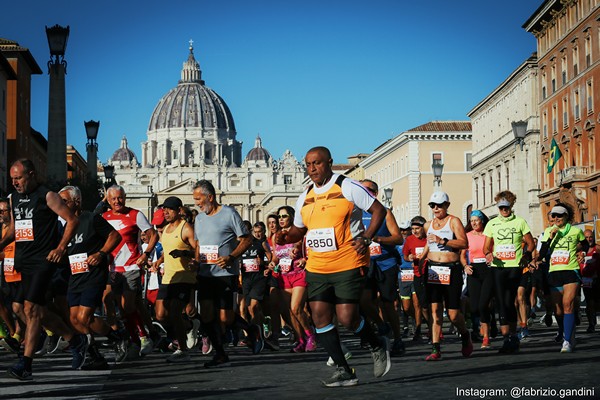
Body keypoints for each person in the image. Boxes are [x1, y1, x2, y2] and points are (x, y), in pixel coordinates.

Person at [276, 146, 390, 387]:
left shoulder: (346, 186)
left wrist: (367, 237)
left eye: (317, 163)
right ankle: (344, 370)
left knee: (347, 318)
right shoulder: (304, 195)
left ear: (329, 162)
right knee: (320, 319)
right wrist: (287, 237)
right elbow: (300, 229)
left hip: (348, 261)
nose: (312, 168)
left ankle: (376, 343)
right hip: (317, 266)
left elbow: (379, 210)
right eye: (308, 164)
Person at [0, 159, 86, 380]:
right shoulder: (14, 198)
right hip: (23, 260)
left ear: (31, 174)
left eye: (18, 178)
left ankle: (26, 364)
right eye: (12, 179)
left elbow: (72, 220)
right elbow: (14, 229)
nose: (15, 183)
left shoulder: (47, 196)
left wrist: (59, 247)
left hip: (43, 260)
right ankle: (73, 338)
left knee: (30, 309)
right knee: (21, 308)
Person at [192, 180, 262, 368]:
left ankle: (250, 329)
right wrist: (195, 260)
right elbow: (198, 245)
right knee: (206, 315)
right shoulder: (198, 219)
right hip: (205, 273)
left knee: (225, 318)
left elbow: (246, 240)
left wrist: (231, 257)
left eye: (199, 199)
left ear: (210, 197)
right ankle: (220, 353)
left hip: (225, 273)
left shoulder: (229, 213)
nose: (197, 203)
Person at [58, 186, 124, 369]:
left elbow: (115, 236)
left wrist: (101, 253)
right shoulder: (64, 225)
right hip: (75, 275)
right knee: (74, 319)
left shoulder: (91, 218)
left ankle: (115, 339)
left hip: (93, 275)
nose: (60, 205)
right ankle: (102, 350)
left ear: (76, 202)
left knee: (84, 316)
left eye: (64, 201)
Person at [102, 185, 159, 358]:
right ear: (108, 200)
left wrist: (146, 253)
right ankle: (128, 338)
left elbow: (153, 235)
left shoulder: (135, 215)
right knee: (108, 301)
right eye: (113, 199)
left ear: (125, 197)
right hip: (112, 269)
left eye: (120, 198)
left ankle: (142, 337)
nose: (117, 201)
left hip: (131, 267)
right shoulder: (104, 217)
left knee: (127, 306)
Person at [421, 191, 472, 361]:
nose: (436, 209)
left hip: (451, 269)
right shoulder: (427, 225)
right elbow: (428, 245)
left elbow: (464, 243)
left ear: (447, 205)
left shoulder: (454, 221)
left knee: (453, 314)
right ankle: (436, 349)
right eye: (432, 206)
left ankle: (465, 335)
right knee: (435, 311)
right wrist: (420, 258)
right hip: (433, 270)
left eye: (439, 205)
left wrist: (443, 241)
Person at [483, 191, 535, 354]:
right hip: (498, 268)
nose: (504, 210)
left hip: (514, 266)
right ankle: (507, 338)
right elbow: (486, 246)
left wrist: (526, 255)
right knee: (501, 303)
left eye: (506, 207)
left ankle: (512, 336)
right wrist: (488, 253)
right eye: (501, 207)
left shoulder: (520, 222)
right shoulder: (492, 224)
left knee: (510, 301)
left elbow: (531, 243)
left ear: (511, 206)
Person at [359, 179, 405, 356]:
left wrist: (378, 239)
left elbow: (398, 238)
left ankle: (398, 338)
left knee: (387, 303)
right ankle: (381, 325)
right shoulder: (354, 212)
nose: (362, 193)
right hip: (365, 263)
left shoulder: (385, 212)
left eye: (367, 190)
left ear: (375, 193)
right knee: (364, 301)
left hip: (386, 263)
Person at [153, 196, 198, 362]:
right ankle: (190, 325)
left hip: (184, 276)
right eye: (164, 209)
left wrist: (185, 254)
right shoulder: (165, 229)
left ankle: (182, 348)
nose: (165, 212)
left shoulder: (186, 229)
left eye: (169, 209)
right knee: (160, 314)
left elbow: (197, 250)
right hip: (168, 277)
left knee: (174, 311)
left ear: (179, 211)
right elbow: (168, 249)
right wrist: (158, 261)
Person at [537, 203, 586, 352]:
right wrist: (550, 238)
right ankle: (566, 331)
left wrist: (582, 253)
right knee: (558, 310)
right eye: (554, 215)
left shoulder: (576, 231)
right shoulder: (548, 232)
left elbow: (585, 245)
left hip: (571, 270)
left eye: (559, 215)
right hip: (554, 272)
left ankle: (567, 341)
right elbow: (542, 254)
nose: (556, 218)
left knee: (567, 304)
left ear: (566, 216)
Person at [270, 206, 316, 353]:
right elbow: (276, 257)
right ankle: (300, 339)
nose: (281, 219)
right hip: (284, 276)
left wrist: (304, 259)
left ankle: (310, 336)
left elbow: (306, 250)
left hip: (299, 274)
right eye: (279, 216)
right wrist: (272, 263)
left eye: (284, 216)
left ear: (291, 217)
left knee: (297, 307)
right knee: (290, 311)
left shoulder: (299, 233)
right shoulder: (275, 236)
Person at [460, 210, 494, 349]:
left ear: (482, 221)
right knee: (474, 307)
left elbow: (494, 249)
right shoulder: (466, 236)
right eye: (471, 220)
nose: (473, 223)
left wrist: (491, 256)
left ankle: (486, 337)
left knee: (483, 305)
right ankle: (482, 323)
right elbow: (462, 255)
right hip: (473, 271)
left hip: (487, 270)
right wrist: (465, 266)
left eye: (476, 220)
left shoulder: (488, 234)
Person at [0, 197, 23, 354]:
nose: (0, 214)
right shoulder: (1, 228)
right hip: (7, 273)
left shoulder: (17, 229)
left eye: (3, 210)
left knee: (20, 307)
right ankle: (14, 333)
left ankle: (20, 336)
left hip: (20, 273)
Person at [402, 216, 429, 342]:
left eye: (417, 228)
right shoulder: (409, 240)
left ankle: (430, 330)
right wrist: (410, 258)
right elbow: (405, 256)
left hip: (430, 273)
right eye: (413, 229)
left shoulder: (429, 238)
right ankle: (428, 325)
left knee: (430, 304)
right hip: (417, 274)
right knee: (422, 305)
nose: (415, 231)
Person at [581, 229, 599, 333]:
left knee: (596, 303)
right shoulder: (580, 251)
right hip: (586, 280)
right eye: (586, 237)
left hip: (597, 279)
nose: (589, 239)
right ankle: (591, 324)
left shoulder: (598, 248)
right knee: (589, 302)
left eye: (590, 237)